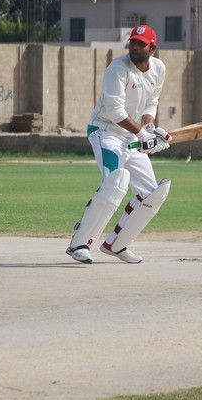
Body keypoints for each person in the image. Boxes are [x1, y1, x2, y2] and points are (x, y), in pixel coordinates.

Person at [65, 24, 172, 264]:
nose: (134, 47)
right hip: (105, 132)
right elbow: (114, 111)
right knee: (114, 182)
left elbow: (151, 102)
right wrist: (142, 134)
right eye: (132, 42)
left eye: (140, 44)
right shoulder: (118, 69)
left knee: (151, 194)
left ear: (152, 48)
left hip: (130, 135)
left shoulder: (159, 68)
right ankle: (79, 244)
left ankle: (116, 244)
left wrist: (150, 129)